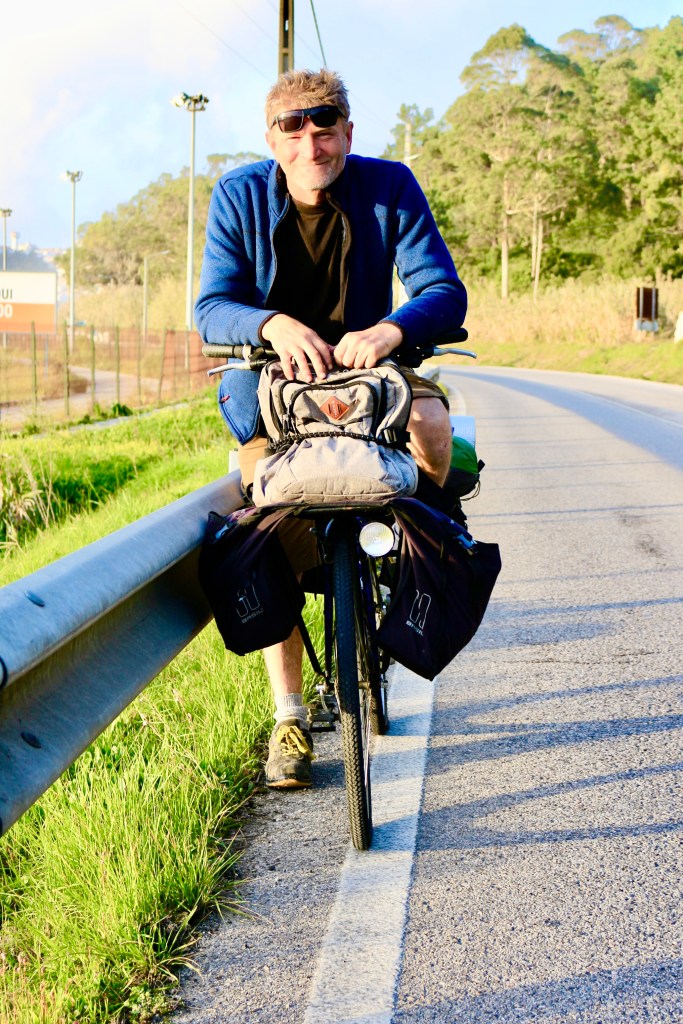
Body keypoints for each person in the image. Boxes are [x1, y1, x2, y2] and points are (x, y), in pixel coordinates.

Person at [195, 68, 467, 790]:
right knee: (268, 514)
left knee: (431, 420)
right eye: (293, 131)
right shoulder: (239, 195)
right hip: (272, 381)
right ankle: (288, 717)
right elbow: (211, 307)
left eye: (325, 129)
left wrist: (390, 329)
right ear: (272, 140)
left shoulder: (389, 186)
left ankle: (423, 549)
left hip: (371, 371)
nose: (311, 145)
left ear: (347, 131)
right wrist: (271, 324)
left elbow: (443, 289)